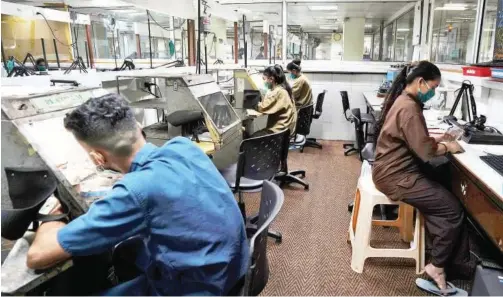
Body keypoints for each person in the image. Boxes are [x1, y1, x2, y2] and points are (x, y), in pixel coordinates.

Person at [26, 93, 249, 295]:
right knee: (126, 251)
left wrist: (52, 213)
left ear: (98, 159)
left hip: (196, 289)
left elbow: (37, 257)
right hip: (232, 273)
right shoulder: (183, 147)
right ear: (139, 127)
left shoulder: (136, 191)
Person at [372, 61, 471, 292]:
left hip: (391, 169)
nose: (434, 92)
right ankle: (437, 266)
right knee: (452, 210)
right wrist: (449, 147)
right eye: (433, 87)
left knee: (443, 184)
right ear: (420, 82)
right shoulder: (409, 108)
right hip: (396, 176)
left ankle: (442, 257)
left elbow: (416, 141)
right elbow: (426, 153)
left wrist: (438, 139)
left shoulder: (405, 101)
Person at [253, 64, 297, 136]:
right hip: (285, 130)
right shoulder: (283, 88)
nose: (263, 82)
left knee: (250, 139)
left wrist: (253, 103)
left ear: (271, 79)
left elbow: (262, 107)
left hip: (279, 132)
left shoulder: (278, 91)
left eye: (264, 79)